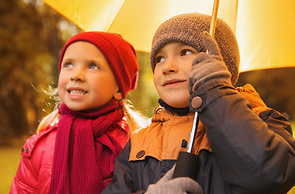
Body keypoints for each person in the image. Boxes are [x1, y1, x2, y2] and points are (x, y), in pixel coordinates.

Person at [102, 13, 295, 194]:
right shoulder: (140, 140)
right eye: (160, 58)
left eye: (185, 52)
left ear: (220, 64)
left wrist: (216, 92)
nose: (167, 67)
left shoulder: (263, 119)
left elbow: (270, 176)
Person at [10, 31, 141, 194]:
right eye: (68, 64)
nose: (76, 75)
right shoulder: (39, 148)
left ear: (118, 88)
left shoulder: (135, 146)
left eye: (93, 66)